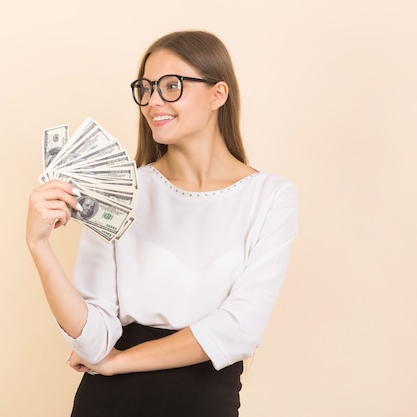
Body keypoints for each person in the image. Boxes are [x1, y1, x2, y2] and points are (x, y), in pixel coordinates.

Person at [26, 30, 298, 417]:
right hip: (108, 404)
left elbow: (239, 329)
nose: (153, 101)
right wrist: (39, 246)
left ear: (218, 94)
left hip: (202, 402)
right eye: (146, 88)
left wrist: (120, 362)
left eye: (171, 86)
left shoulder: (270, 197)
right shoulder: (121, 191)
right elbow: (93, 342)